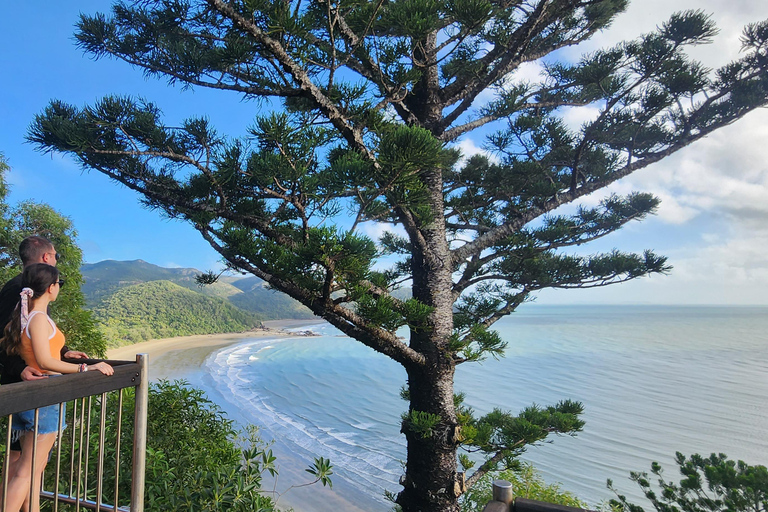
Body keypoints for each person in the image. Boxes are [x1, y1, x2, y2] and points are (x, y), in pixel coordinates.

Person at [0, 263, 113, 512]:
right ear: (51, 287)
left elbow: (39, 350)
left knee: (31, 470)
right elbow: (44, 361)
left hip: (31, 396)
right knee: (25, 473)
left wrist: (65, 353)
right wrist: (86, 368)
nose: (58, 288)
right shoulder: (38, 318)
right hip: (45, 397)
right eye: (59, 284)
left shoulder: (23, 317)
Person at [0, 236, 87, 385]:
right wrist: (20, 368)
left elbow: (34, 336)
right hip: (27, 381)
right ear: (46, 257)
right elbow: (5, 336)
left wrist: (62, 351)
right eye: (56, 256)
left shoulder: (32, 296)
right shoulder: (17, 290)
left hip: (33, 381)